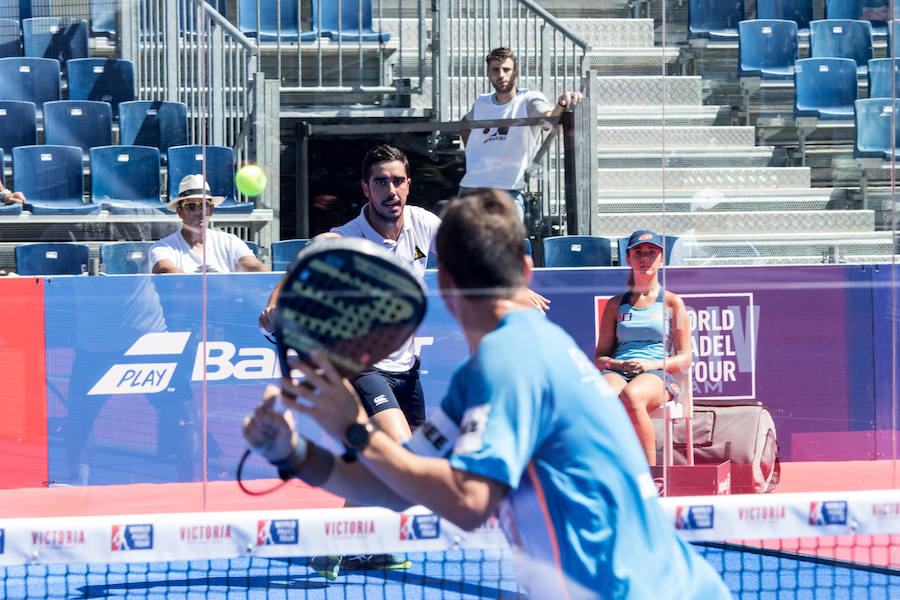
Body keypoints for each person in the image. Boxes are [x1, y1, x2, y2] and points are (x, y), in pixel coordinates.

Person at [242, 190, 731, 599]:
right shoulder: (504, 361)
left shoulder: (509, 359)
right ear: (526, 268)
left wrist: (352, 429)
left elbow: (469, 503)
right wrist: (294, 452)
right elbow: (394, 487)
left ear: (446, 280)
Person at [593, 230, 692, 467]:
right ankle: (609, 471)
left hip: (657, 373)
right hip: (618, 371)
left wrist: (650, 364)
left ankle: (649, 477)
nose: (645, 257)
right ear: (628, 259)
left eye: (651, 252)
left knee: (631, 397)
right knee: (599, 398)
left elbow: (685, 357)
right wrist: (616, 364)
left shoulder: (672, 302)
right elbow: (600, 357)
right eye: (638, 252)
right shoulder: (615, 304)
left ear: (661, 258)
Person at [459, 47, 584, 221]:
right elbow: (464, 126)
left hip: (508, 190)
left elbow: (548, 123)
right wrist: (475, 154)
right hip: (472, 189)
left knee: (510, 246)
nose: (501, 75)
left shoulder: (529, 99)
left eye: (506, 69)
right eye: (495, 70)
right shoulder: (481, 102)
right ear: (488, 75)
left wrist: (561, 104)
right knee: (460, 246)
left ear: (515, 73)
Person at [149, 174, 268, 274]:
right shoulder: (163, 247)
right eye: (191, 206)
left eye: (204, 205)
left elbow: (256, 267)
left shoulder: (230, 242)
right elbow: (165, 268)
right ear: (180, 212)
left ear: (211, 210)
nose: (198, 211)